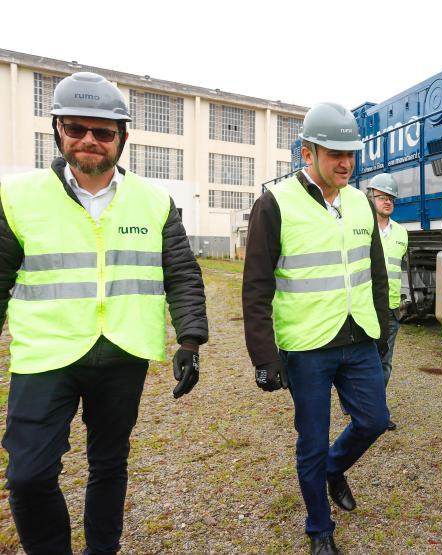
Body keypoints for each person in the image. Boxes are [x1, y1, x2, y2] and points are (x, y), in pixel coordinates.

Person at [0, 71, 208, 554]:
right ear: (57, 129)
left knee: (109, 463)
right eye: (77, 128)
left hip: (122, 351)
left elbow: (181, 273)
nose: (89, 140)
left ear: (123, 137)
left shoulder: (155, 202)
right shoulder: (17, 197)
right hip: (46, 354)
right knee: (28, 475)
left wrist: (190, 340)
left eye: (103, 132)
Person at [242, 102, 390, 555]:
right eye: (334, 153)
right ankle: (319, 530)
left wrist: (382, 333)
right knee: (310, 440)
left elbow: (377, 274)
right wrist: (264, 358)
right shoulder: (275, 204)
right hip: (306, 346)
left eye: (351, 153)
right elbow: (256, 286)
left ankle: (333, 469)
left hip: (359, 337)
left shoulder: (361, 204)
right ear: (307, 153)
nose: (345, 162)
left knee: (374, 420)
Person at [365, 173, 408, 431]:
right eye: (382, 197)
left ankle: (377, 410)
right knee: (362, 361)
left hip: (391, 308)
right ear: (371, 198)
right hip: (364, 306)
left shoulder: (402, 233)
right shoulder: (361, 229)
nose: (387, 201)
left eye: (391, 198)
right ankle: (359, 403)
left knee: (385, 362)